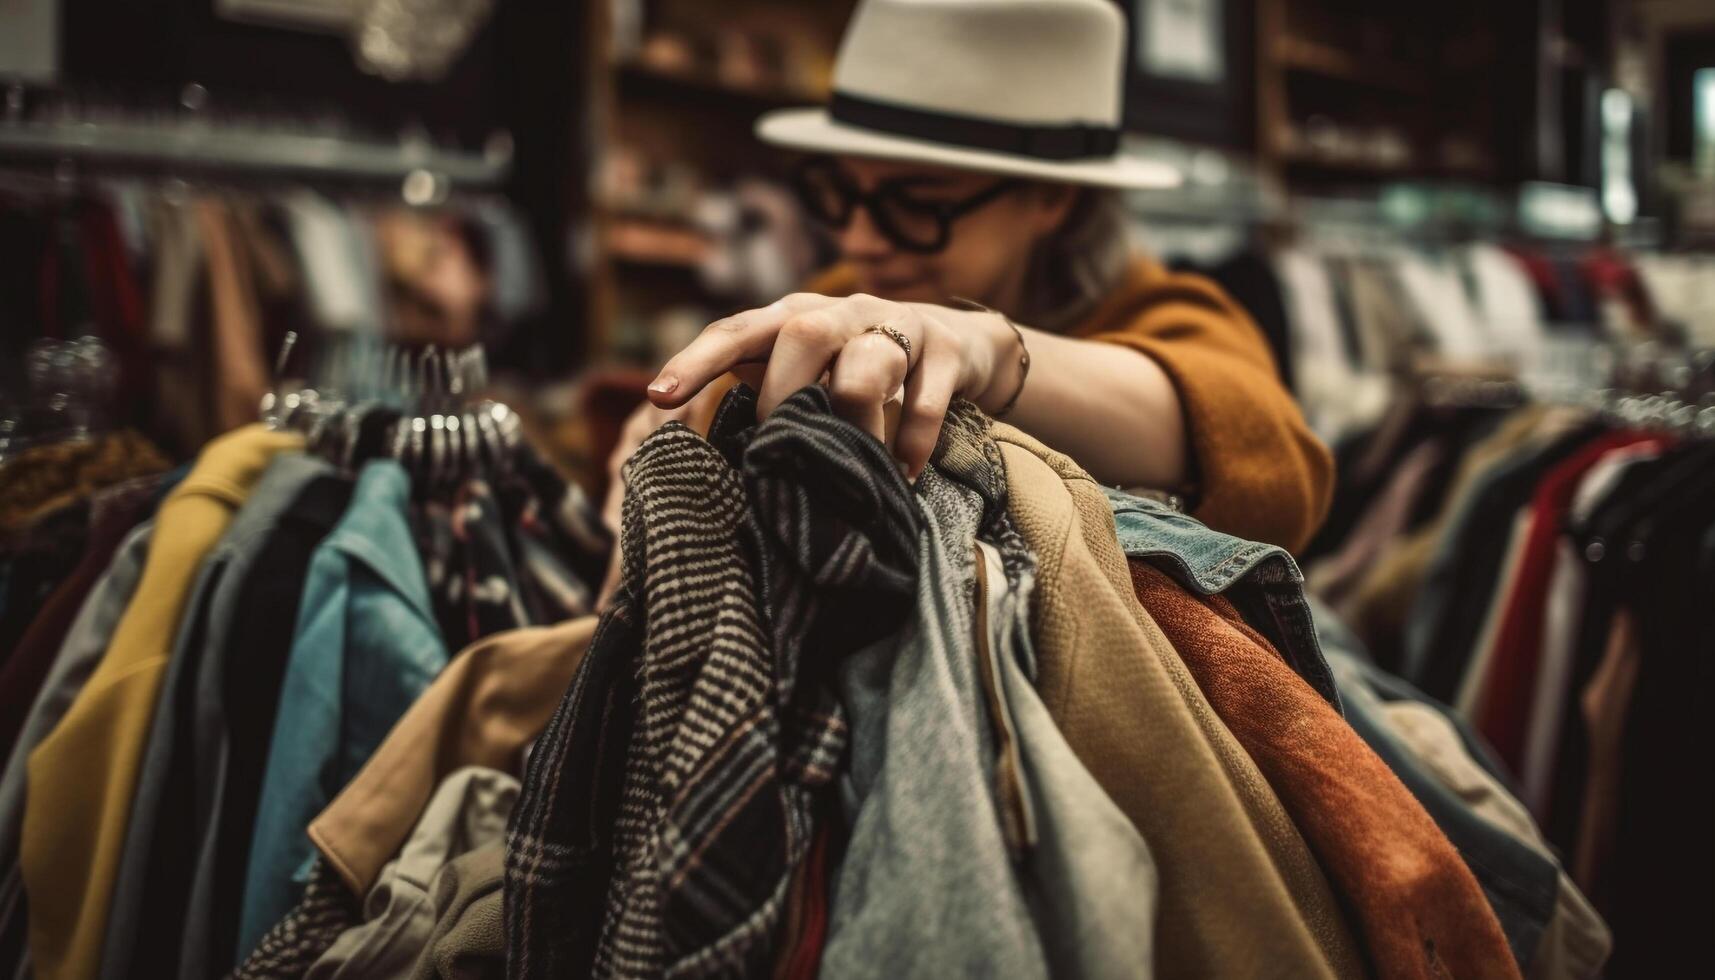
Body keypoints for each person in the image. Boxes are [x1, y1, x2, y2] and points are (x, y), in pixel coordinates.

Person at [605, 0, 1331, 561]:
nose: (860, 236)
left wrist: (978, 346)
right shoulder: (840, 290)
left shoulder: (1159, 311)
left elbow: (1271, 464)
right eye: (842, 192)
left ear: (1051, 198)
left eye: (917, 203)